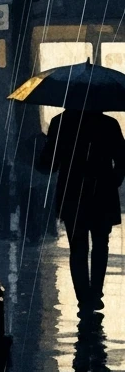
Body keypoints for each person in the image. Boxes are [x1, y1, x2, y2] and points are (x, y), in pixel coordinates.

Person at [36, 109, 125, 314]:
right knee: (101, 243)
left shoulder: (60, 123)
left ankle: (83, 297)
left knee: (77, 245)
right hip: (101, 191)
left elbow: (49, 163)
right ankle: (95, 293)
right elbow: (122, 159)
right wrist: (112, 181)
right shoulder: (108, 124)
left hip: (72, 191)